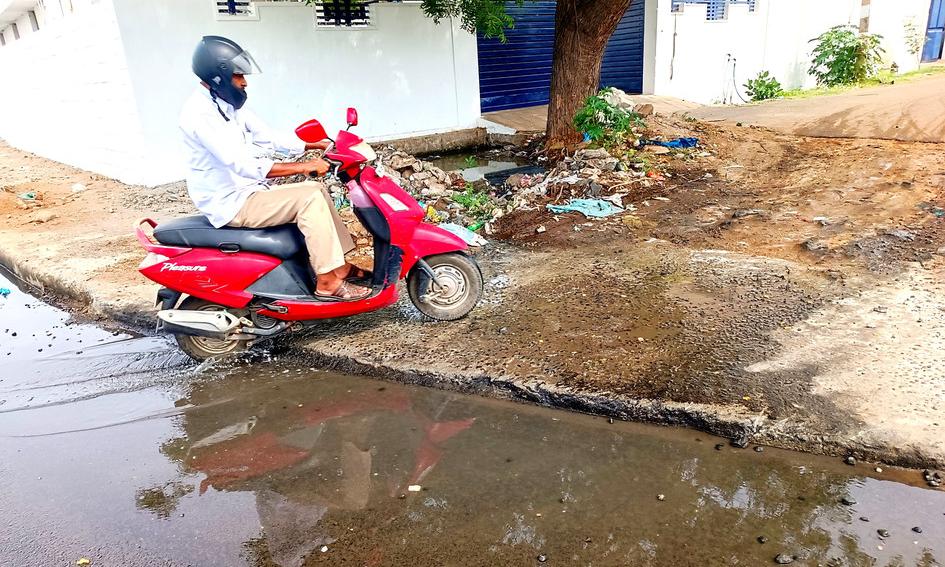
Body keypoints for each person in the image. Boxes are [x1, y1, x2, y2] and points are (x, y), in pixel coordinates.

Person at [180, 35, 369, 300]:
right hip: (232, 203)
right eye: (238, 76)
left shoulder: (226, 104)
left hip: (248, 192)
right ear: (218, 76)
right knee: (310, 196)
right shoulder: (201, 114)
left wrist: (314, 144)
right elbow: (242, 164)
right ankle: (327, 281)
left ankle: (338, 266)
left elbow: (268, 136)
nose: (244, 82)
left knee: (315, 189)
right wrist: (303, 167)